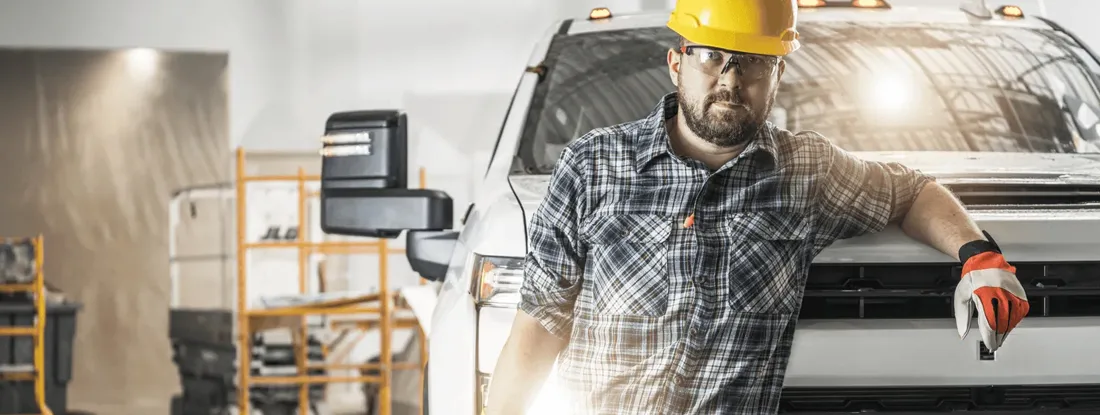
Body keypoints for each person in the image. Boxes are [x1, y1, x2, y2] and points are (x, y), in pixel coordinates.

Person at [485, 0, 1031, 413]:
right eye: (710, 58)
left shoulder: (807, 172)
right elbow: (540, 325)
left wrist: (980, 257)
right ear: (676, 63)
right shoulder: (592, 164)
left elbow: (910, 191)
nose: (730, 79)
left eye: (751, 62)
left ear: (777, 75)